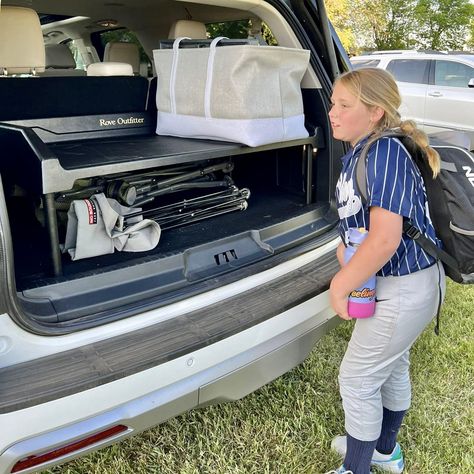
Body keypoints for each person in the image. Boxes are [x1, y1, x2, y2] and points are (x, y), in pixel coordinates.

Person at [324, 68, 446, 474]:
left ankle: (357, 466)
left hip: (404, 287)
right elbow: (362, 228)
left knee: (357, 380)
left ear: (375, 111)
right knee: (392, 365)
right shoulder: (363, 150)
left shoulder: (384, 153)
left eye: (344, 105)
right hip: (398, 284)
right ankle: (385, 450)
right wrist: (349, 256)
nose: (332, 113)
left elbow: (385, 239)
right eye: (333, 103)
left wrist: (340, 285)